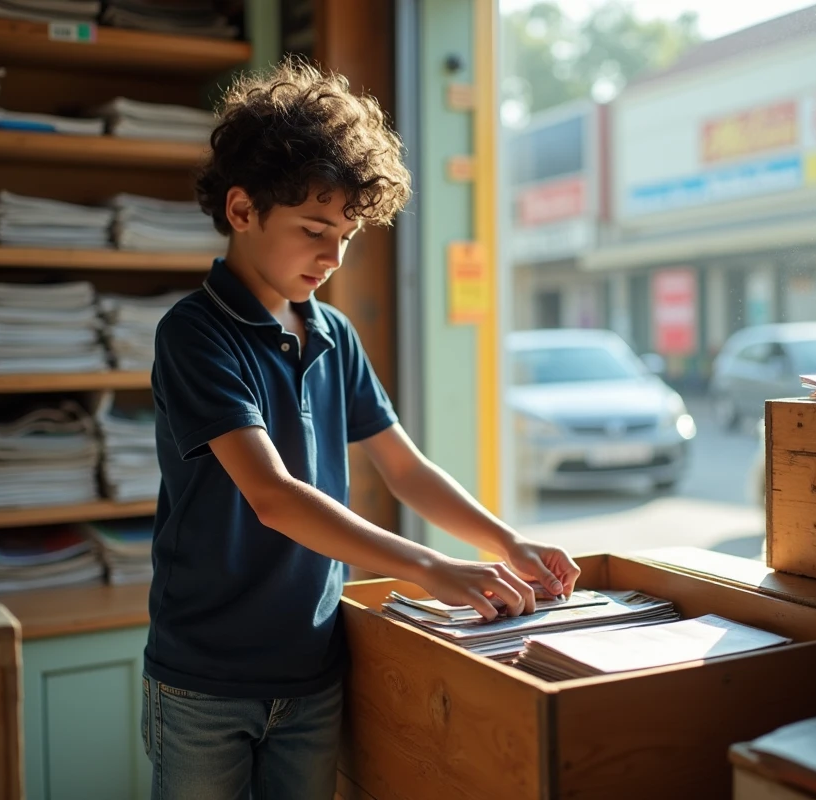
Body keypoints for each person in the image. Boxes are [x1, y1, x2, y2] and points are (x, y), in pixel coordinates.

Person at [142, 58, 582, 800]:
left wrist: (505, 542)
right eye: (314, 229)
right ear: (242, 210)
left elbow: (404, 469)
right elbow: (273, 497)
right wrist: (432, 569)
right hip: (204, 681)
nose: (334, 255)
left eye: (346, 233)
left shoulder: (334, 334)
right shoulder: (195, 334)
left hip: (315, 669)